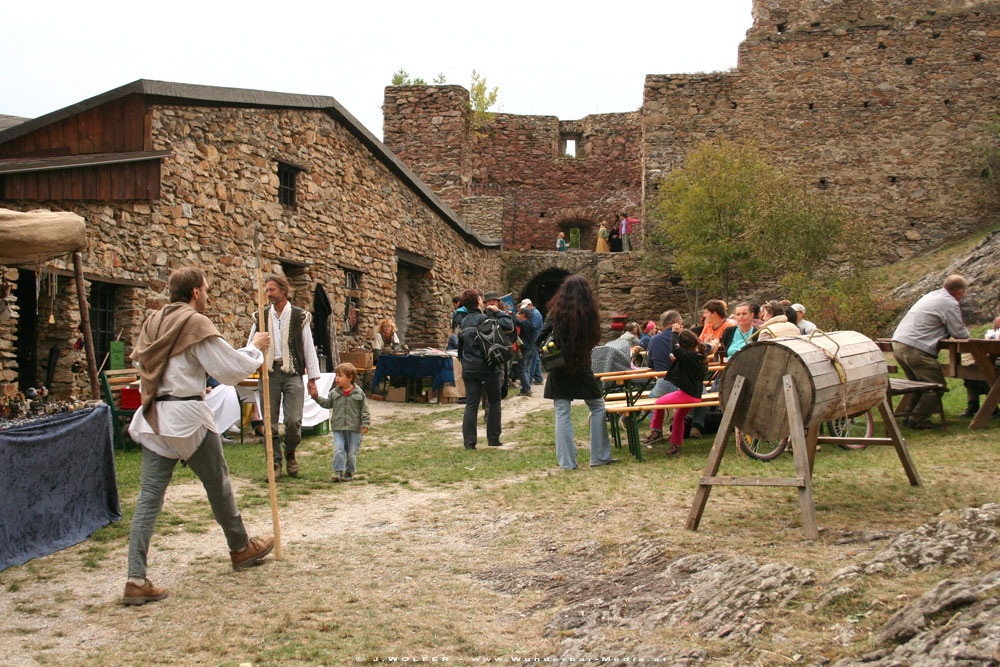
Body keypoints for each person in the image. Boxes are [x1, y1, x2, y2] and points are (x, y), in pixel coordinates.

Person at [124, 267, 274, 605]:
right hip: (187, 417)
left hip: (155, 418)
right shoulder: (193, 322)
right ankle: (240, 548)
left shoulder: (154, 322)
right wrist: (255, 348)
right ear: (194, 292)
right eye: (206, 290)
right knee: (218, 485)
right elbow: (230, 368)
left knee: (149, 499)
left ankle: (135, 578)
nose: (207, 295)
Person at [536, 275, 617, 470]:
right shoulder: (589, 314)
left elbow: (539, 339)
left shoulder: (556, 314)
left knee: (562, 412)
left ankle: (567, 462)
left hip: (558, 367)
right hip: (581, 366)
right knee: (598, 408)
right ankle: (599, 456)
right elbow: (593, 340)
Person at [248, 274, 321, 479]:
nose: (268, 294)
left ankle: (290, 453)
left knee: (293, 421)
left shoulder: (299, 316)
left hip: (293, 374)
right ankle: (275, 463)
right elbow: (251, 346)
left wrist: (313, 380)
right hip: (269, 374)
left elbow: (308, 348)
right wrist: (247, 367)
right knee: (269, 424)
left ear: (283, 290)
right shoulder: (260, 317)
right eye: (267, 290)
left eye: (271, 290)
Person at [891, 275, 970, 429]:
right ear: (959, 291)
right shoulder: (949, 302)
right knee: (936, 386)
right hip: (916, 348)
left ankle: (909, 417)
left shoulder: (932, 295)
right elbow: (959, 333)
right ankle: (918, 419)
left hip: (899, 344)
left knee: (919, 385)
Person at [458, 289, 515, 449]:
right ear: (478, 302)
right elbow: (508, 325)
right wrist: (499, 312)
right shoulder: (485, 319)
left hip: (469, 367)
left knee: (471, 405)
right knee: (495, 401)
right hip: (488, 367)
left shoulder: (463, 322)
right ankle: (493, 439)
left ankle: (469, 443)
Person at [645, 330, 709, 455]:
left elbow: (675, 349)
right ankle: (675, 446)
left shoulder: (690, 357)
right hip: (695, 395)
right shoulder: (698, 356)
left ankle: (656, 431)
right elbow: (685, 362)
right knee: (679, 418)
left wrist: (674, 333)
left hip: (687, 395)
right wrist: (678, 358)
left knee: (659, 403)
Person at [310, 362, 370, 483]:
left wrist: (365, 424)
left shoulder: (359, 393)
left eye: (340, 376)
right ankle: (337, 471)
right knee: (339, 449)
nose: (337, 378)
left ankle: (349, 471)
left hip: (354, 428)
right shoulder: (334, 393)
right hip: (338, 427)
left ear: (350, 378)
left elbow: (365, 410)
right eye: (336, 375)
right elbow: (327, 404)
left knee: (352, 452)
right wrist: (316, 397)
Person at [688, 299, 732, 439]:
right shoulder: (708, 327)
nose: (704, 316)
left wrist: (708, 348)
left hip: (721, 368)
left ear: (714, 313)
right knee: (695, 385)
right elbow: (698, 346)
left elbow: (718, 349)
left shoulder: (729, 327)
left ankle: (697, 422)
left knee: (707, 389)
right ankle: (696, 421)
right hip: (706, 366)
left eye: (706, 313)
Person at [642, 310, 684, 446]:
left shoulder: (654, 339)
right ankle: (697, 426)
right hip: (685, 382)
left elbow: (650, 364)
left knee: (652, 403)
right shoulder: (684, 337)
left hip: (664, 381)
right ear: (676, 323)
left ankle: (656, 431)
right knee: (704, 396)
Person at [520, 298, 544, 386]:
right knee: (535, 359)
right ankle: (538, 378)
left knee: (533, 360)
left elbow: (533, 326)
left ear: (530, 305)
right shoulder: (533, 313)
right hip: (534, 340)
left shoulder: (535, 314)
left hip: (534, 340)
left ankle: (530, 379)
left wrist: (524, 322)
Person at [515, 308, 537, 396]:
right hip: (532, 348)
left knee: (522, 369)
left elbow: (517, 322)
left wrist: (511, 314)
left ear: (523, 315)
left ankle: (526, 389)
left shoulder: (524, 323)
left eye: (520, 314)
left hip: (526, 349)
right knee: (527, 369)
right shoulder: (531, 323)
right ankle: (527, 387)